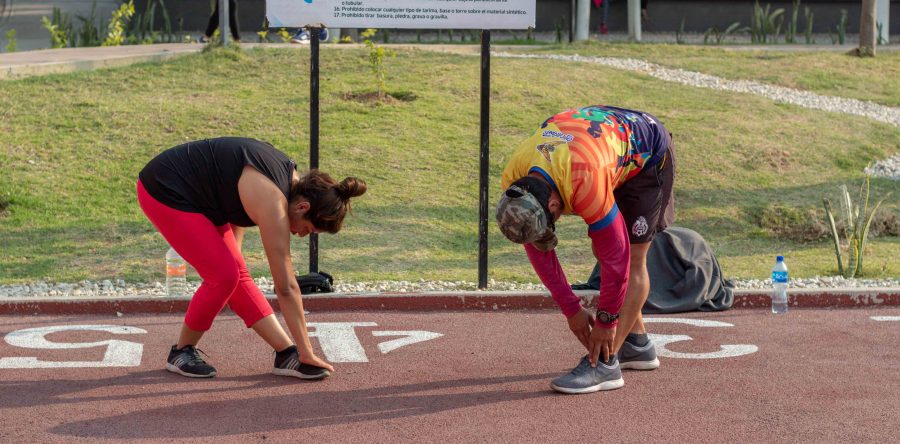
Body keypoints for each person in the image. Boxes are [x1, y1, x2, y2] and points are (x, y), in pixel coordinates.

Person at [137, 137, 366, 379]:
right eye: (306, 229)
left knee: (234, 274)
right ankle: (181, 352)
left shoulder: (289, 184)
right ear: (303, 207)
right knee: (224, 276)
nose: (299, 235)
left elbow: (232, 190)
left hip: (201, 196)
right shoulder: (274, 202)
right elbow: (286, 287)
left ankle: (287, 354)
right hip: (165, 188)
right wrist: (308, 350)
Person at [496, 105, 675, 394]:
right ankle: (637, 343)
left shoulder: (583, 180)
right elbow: (536, 246)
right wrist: (571, 309)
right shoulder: (514, 182)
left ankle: (605, 364)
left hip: (648, 153)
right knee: (600, 248)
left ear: (554, 205)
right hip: (599, 146)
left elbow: (618, 257)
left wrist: (606, 321)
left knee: (632, 259)